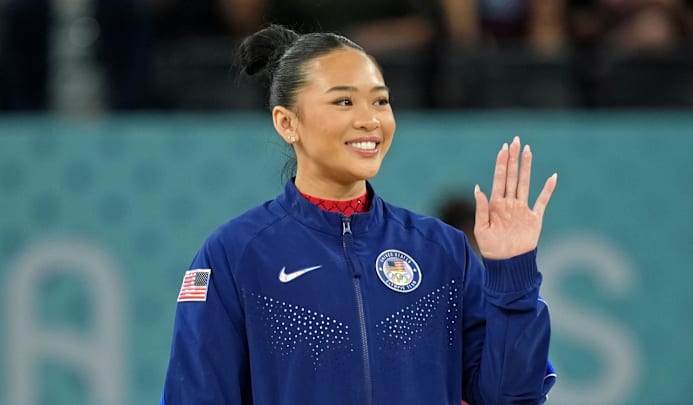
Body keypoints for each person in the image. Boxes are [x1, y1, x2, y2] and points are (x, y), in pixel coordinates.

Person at [160, 24, 558, 404]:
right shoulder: (235, 254)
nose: (370, 120)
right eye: (344, 101)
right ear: (287, 122)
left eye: (380, 100)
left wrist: (511, 272)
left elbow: (511, 395)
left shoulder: (442, 251)